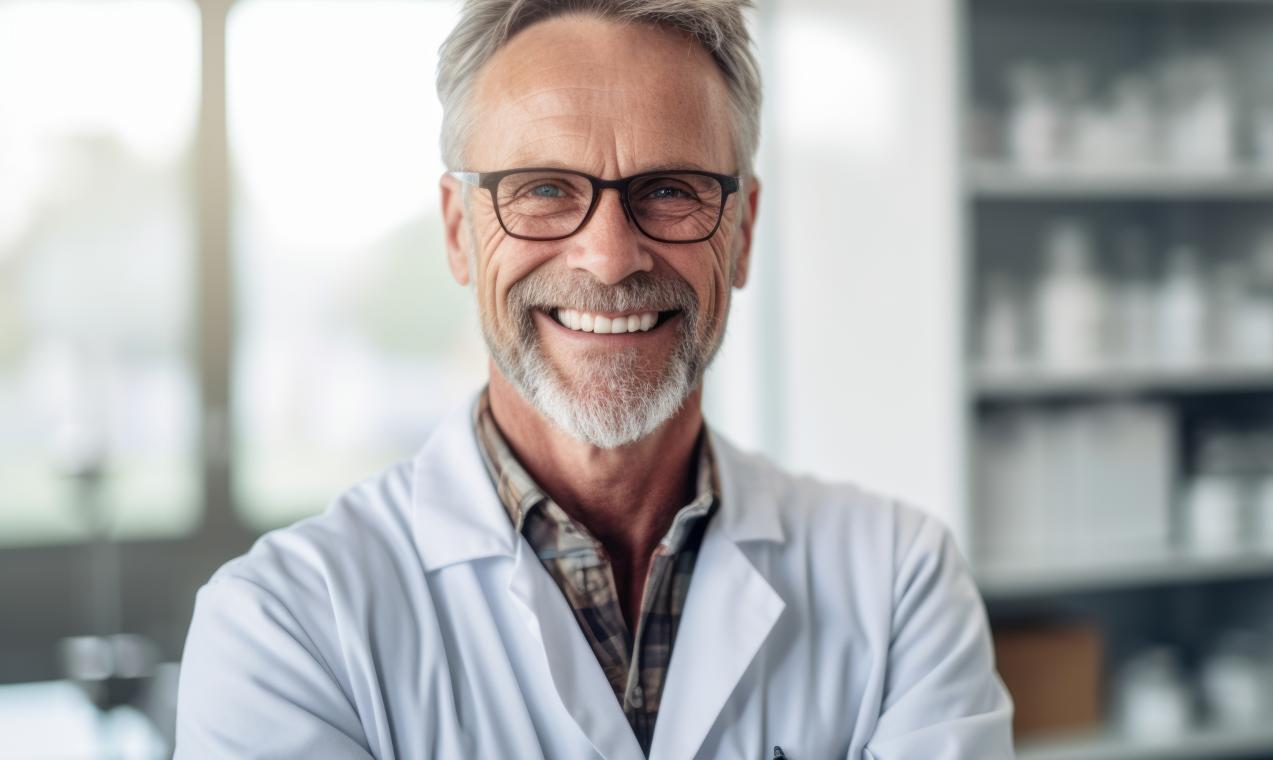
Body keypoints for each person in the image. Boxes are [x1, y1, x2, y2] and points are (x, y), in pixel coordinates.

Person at [173, 1, 1015, 758]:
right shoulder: (287, 628)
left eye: (671, 191)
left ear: (744, 233)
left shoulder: (900, 584)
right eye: (541, 189)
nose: (610, 259)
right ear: (460, 233)